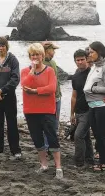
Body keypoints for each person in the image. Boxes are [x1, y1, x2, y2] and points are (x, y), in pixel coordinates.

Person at [21, 43, 63, 179]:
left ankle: (58, 167)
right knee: (37, 138)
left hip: (47, 110)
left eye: (38, 54)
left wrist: (35, 91)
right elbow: (24, 85)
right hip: (31, 110)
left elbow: (51, 88)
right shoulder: (25, 71)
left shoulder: (50, 70)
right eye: (33, 54)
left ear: (42, 56)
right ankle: (44, 164)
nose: (35, 57)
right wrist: (32, 73)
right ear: (29, 56)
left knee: (52, 137)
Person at [0, 36, 21, 159]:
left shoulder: (13, 60)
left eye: (3, 45)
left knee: (12, 123)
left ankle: (15, 149)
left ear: (7, 46)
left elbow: (15, 78)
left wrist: (2, 90)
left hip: (9, 96)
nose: (1, 48)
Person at [84, 41, 105, 171]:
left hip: (102, 106)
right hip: (92, 106)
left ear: (99, 52)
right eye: (89, 52)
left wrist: (92, 88)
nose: (89, 54)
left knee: (103, 135)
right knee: (97, 134)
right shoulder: (95, 66)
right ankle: (101, 159)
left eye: (92, 52)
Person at [70, 49, 94, 168]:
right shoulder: (75, 76)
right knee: (86, 136)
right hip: (78, 111)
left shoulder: (92, 74)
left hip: (89, 110)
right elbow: (74, 96)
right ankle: (90, 159)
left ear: (87, 60)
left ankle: (79, 163)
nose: (80, 62)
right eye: (77, 60)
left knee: (78, 135)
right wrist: (72, 113)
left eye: (82, 60)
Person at [42, 41, 62, 135]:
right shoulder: (41, 63)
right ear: (48, 50)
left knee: (55, 123)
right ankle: (47, 145)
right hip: (48, 98)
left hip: (57, 96)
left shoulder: (53, 62)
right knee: (48, 123)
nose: (54, 52)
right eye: (53, 49)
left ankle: (52, 143)